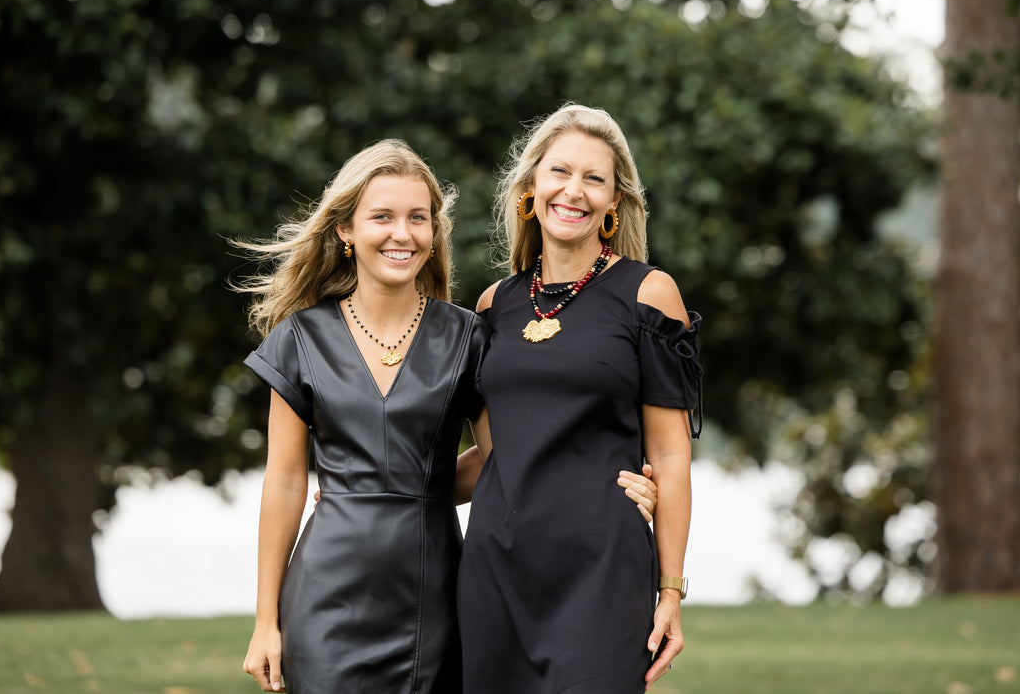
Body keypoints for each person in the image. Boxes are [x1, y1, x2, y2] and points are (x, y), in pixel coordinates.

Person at [235, 139, 658, 693]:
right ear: (345, 231)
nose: (401, 234)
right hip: (325, 597)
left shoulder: (468, 337)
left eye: (418, 218)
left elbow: (508, 458)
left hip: (435, 594)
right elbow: (286, 481)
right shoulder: (298, 338)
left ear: (433, 234)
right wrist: (266, 621)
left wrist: (606, 479)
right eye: (381, 217)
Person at [457, 104, 703, 693]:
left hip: (602, 570)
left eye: (594, 179)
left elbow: (670, 458)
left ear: (615, 201)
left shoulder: (647, 293)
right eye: (560, 172)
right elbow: (495, 455)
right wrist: (368, 484)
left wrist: (670, 591)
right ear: (531, 185)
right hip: (496, 568)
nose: (574, 191)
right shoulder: (493, 305)